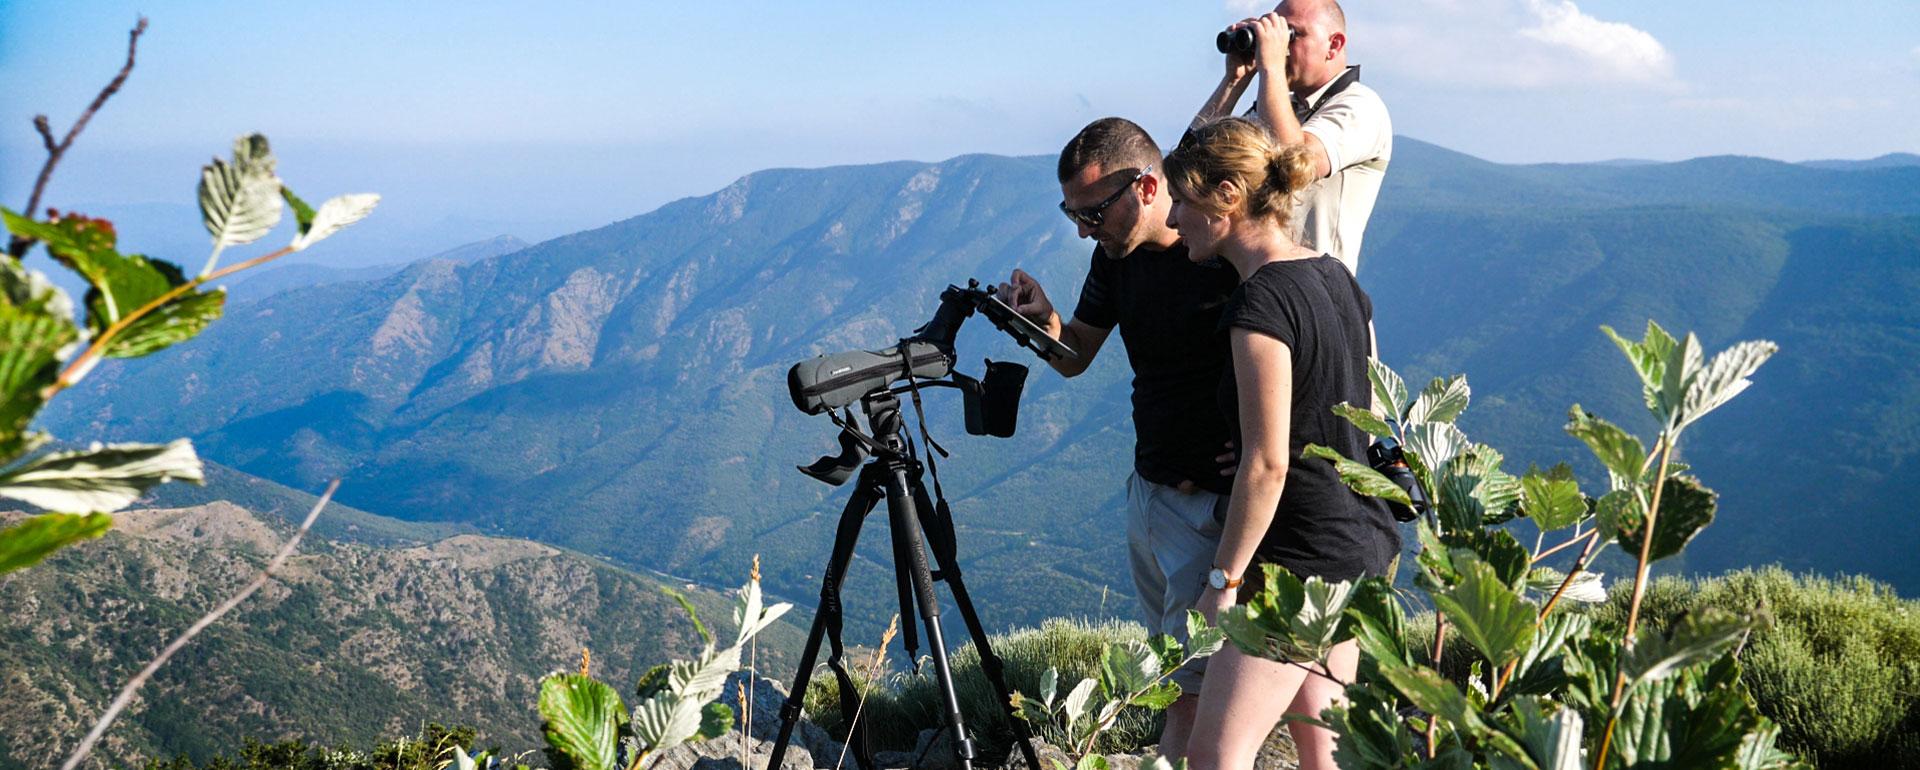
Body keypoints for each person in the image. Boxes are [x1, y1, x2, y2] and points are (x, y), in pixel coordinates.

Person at [1161, 117, 1400, 770]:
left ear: (1229, 195)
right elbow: (1343, 412)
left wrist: (1224, 580)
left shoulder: (1258, 306)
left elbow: (1267, 467)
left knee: (1216, 756)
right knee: (1326, 756)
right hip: (1358, 546)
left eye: (1182, 199)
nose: (1174, 216)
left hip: (1297, 560)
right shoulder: (1333, 278)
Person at [997, 117, 1238, 753]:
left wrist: (1277, 446)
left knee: (1184, 691)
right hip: (1150, 492)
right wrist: (1041, 317)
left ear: (1149, 188)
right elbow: (1076, 353)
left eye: (1094, 212)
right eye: (1072, 213)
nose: (1083, 230)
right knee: (1169, 672)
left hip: (1208, 505)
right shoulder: (1116, 257)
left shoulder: (1221, 261)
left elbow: (1307, 345)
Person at [1191, 0, 1391, 274]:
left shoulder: (1361, 106)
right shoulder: (1280, 109)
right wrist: (1234, 81)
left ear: (1334, 45)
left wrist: (1270, 68)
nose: (1279, 47)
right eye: (1276, 34)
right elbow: (1192, 164)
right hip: (1263, 288)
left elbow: (1294, 159)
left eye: (1291, 35)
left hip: (1316, 295)